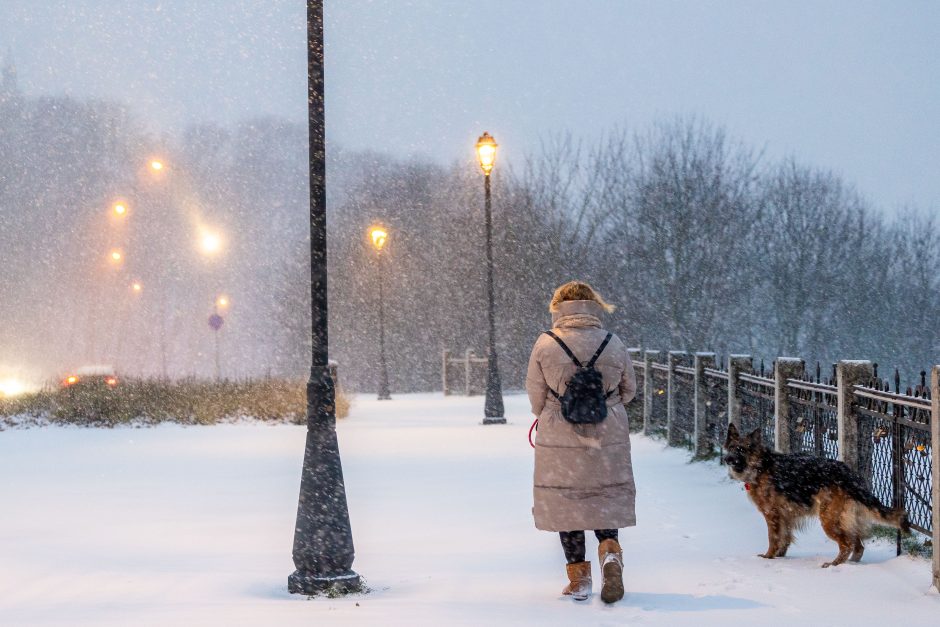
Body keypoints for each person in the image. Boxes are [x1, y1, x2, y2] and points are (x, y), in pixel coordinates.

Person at [525, 281, 637, 603]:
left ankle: (580, 579)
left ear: (558, 307)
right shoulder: (613, 343)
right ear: (594, 305)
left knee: (568, 504)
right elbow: (629, 390)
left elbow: (536, 395)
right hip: (608, 432)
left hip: (560, 433)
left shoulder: (546, 343)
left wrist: (558, 408)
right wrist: (603, 403)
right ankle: (611, 555)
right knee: (604, 496)